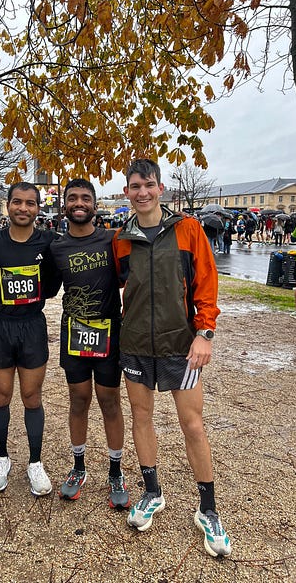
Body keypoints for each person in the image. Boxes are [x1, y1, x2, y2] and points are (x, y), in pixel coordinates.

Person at [113, 158, 231, 557]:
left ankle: (208, 509)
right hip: (135, 345)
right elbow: (119, 287)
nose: (142, 192)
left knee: (192, 424)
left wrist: (205, 333)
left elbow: (207, 284)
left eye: (148, 185)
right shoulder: (121, 238)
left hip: (180, 344)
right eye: (135, 186)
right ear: (127, 192)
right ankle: (152, 492)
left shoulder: (188, 229)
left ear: (160, 188)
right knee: (141, 417)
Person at [0, 182, 59, 496]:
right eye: (17, 202)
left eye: (30, 203)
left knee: (32, 397)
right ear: (8, 205)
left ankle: (35, 463)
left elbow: (53, 286)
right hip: (0, 327)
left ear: (38, 208)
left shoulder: (48, 242)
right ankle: (1, 459)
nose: (23, 208)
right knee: (1, 395)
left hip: (32, 326)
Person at [49, 179, 130, 510]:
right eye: (72, 198)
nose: (79, 203)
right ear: (64, 205)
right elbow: (45, 287)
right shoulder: (57, 248)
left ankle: (116, 471)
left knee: (110, 402)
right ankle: (79, 467)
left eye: (85, 198)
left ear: (95, 205)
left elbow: (134, 276)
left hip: (109, 333)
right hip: (75, 334)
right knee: (78, 400)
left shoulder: (113, 239)